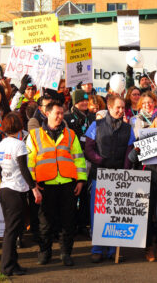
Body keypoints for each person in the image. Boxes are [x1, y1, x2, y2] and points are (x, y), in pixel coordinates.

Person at [27, 100, 87, 266]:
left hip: (67, 184)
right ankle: (44, 252)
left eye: (62, 113)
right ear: (47, 114)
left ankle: (66, 253)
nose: (61, 116)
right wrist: (33, 183)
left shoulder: (71, 134)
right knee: (45, 223)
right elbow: (29, 161)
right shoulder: (34, 135)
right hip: (45, 185)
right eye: (57, 113)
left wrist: (81, 181)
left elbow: (79, 159)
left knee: (68, 222)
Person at [85, 95, 135, 263]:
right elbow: (88, 148)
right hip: (99, 176)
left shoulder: (129, 128)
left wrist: (125, 171)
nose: (121, 111)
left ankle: (114, 249)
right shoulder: (96, 125)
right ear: (110, 107)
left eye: (123, 108)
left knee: (116, 214)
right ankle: (97, 249)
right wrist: (100, 161)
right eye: (117, 107)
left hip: (119, 176)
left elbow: (130, 151)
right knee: (98, 214)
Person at [0, 112, 42, 276]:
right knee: (12, 231)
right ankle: (7, 266)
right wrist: (34, 188)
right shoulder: (19, 145)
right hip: (16, 191)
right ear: (20, 126)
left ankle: (13, 264)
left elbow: (0, 168)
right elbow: (24, 169)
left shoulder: (0, 145)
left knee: (11, 230)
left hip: (4, 189)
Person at [128, 107, 157, 261]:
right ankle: (148, 247)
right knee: (147, 217)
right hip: (146, 182)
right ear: (153, 120)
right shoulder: (144, 136)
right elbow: (131, 158)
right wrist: (137, 149)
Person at [64, 89, 96, 235]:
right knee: (73, 193)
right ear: (75, 102)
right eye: (80, 100)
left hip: (89, 159)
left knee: (86, 194)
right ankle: (71, 224)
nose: (84, 103)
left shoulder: (93, 117)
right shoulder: (67, 117)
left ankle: (83, 223)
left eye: (85, 100)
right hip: (73, 161)